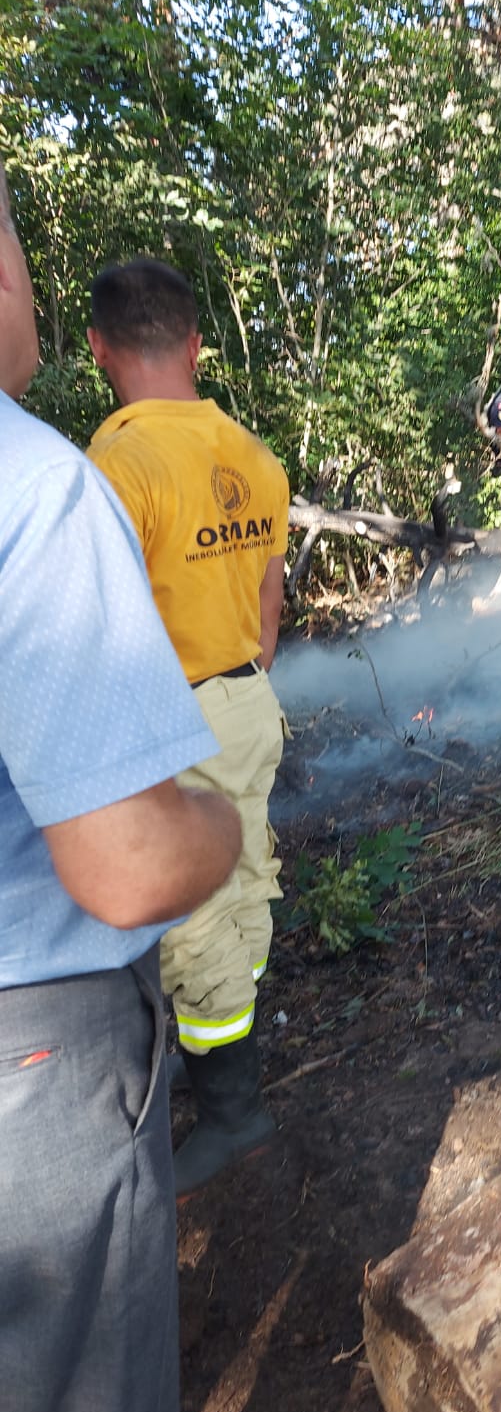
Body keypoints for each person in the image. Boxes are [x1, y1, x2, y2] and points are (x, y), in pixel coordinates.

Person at [0, 162, 243, 1412]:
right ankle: (233, 1077)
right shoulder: (37, 482)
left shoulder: (104, 457)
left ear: (105, 345)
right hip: (34, 1054)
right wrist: (217, 815)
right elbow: (136, 857)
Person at [86, 258, 291, 1199]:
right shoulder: (251, 454)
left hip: (174, 718)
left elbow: (102, 617)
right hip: (249, 697)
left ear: (98, 349)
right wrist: (246, 681)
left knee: (193, 921)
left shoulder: (118, 464)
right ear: (198, 345)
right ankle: (223, 1050)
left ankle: (234, 1112)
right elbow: (269, 596)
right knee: (244, 879)